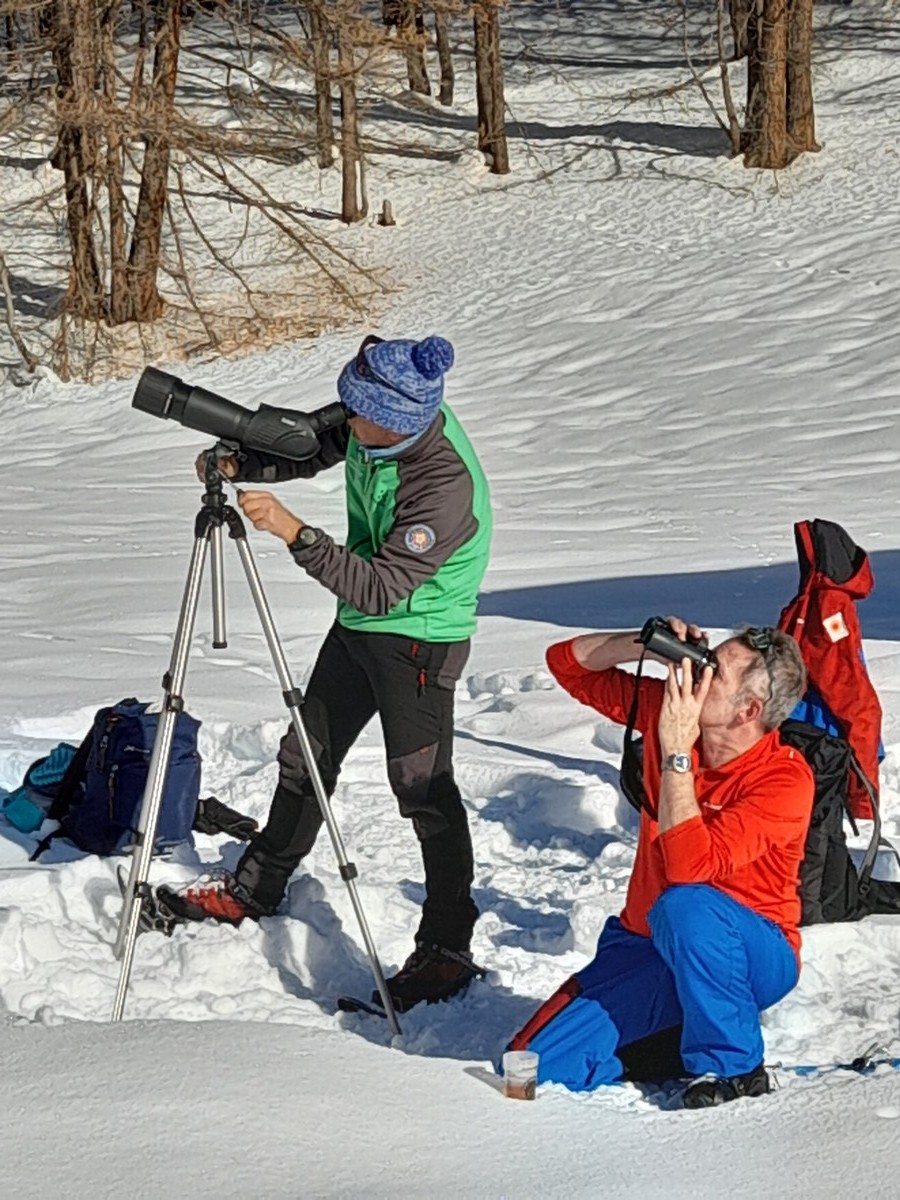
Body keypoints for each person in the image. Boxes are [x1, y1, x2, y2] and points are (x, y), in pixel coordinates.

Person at [159, 334, 492, 1013]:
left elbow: (378, 587)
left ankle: (448, 948)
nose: (347, 417)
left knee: (421, 787)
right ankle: (256, 887)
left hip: (419, 642)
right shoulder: (377, 425)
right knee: (305, 756)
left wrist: (293, 532)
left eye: (357, 411)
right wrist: (239, 458)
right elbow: (313, 444)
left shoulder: (442, 483)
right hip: (360, 629)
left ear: (398, 419)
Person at [505, 618, 814, 1107]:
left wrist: (675, 755)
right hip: (647, 943)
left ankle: (733, 1066)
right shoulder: (672, 714)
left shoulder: (783, 781)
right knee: (532, 1064)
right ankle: (677, 1032)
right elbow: (567, 665)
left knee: (687, 907)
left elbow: (690, 870)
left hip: (752, 951)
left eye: (715, 672)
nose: (698, 674)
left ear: (747, 711)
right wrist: (646, 643)